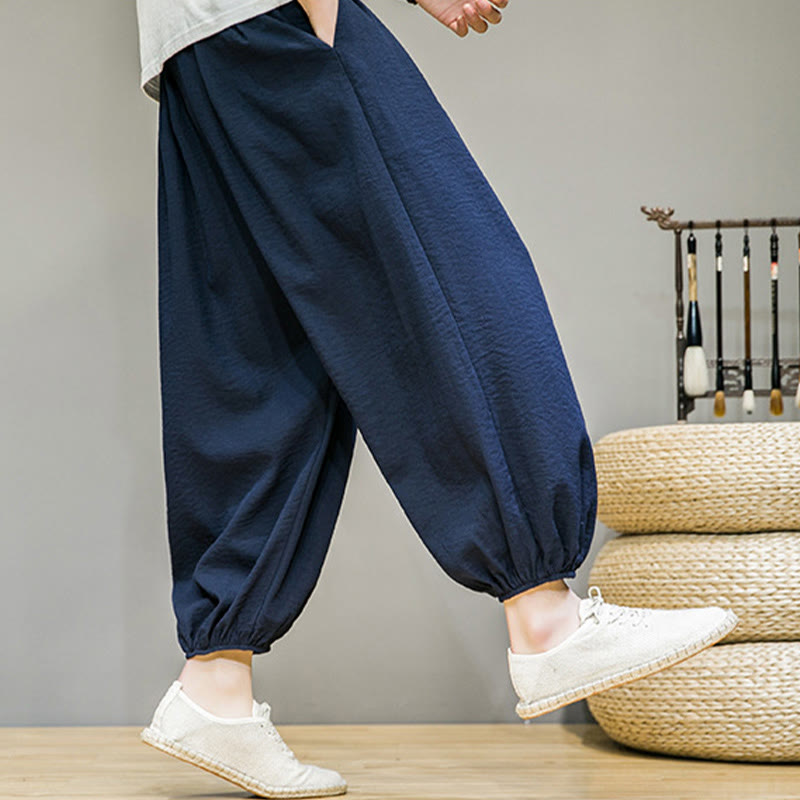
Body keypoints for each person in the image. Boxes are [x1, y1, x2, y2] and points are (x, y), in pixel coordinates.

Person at [135, 0, 740, 796]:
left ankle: (216, 682)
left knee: (265, 348)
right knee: (447, 270)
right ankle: (544, 614)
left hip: (193, 34)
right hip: (275, 16)